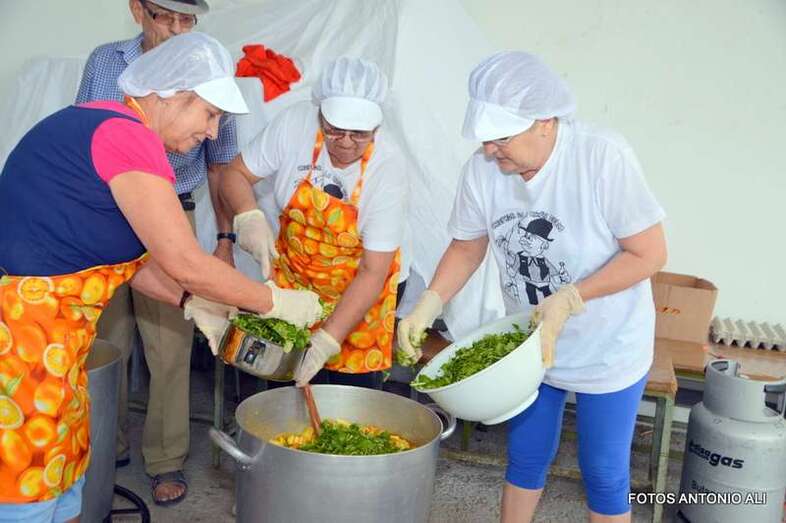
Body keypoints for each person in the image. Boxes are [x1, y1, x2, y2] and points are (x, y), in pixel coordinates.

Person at [0, 33, 321, 523]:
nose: (213, 132)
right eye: (210, 114)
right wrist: (272, 302)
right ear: (172, 94)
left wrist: (192, 303)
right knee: (25, 490)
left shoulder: (105, 129)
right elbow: (183, 259)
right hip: (22, 346)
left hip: (51, 347)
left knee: (60, 479)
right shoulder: (126, 136)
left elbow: (129, 262)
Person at [397, 51, 667, 523]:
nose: (488, 151)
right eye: (483, 140)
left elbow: (649, 253)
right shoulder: (482, 171)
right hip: (529, 342)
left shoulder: (601, 156)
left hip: (609, 344)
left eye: (499, 138)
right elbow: (466, 248)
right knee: (525, 457)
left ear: (544, 122)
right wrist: (429, 302)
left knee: (603, 472)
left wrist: (572, 296)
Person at [75, 0, 237, 505]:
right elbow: (87, 135)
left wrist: (228, 237)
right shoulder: (107, 63)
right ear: (136, 9)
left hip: (171, 209)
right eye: (165, 15)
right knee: (108, 337)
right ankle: (107, 442)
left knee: (169, 342)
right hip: (107, 211)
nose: (176, 29)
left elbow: (220, 164)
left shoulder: (211, 67)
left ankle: (165, 458)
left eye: (187, 20)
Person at [220, 56, 408, 389]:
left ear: (377, 127)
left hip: (358, 294)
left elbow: (373, 270)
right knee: (281, 403)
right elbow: (234, 174)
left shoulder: (388, 166)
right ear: (319, 112)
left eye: (359, 134)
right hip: (294, 287)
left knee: (349, 410)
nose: (346, 142)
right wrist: (248, 214)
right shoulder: (294, 125)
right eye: (334, 130)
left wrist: (326, 341)